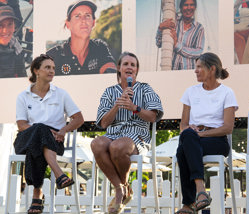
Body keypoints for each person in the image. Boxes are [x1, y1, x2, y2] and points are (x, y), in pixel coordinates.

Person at [90, 52, 163, 214]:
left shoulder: (145, 89)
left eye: (133, 65)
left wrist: (134, 108)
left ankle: (119, 192)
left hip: (137, 135)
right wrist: (117, 105)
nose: (129, 67)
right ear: (119, 68)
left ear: (136, 70)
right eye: (126, 64)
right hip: (113, 133)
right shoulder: (109, 92)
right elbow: (103, 123)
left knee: (117, 147)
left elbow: (153, 117)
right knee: (97, 143)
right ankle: (121, 188)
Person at [14, 54, 84, 213]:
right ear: (36, 71)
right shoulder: (23, 96)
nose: (52, 71)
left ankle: (37, 197)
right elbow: (21, 125)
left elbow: (79, 118)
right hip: (25, 140)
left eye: (53, 68)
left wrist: (63, 130)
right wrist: (40, 130)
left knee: (38, 141)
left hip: (55, 141)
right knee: (39, 129)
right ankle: (59, 173)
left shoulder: (61, 94)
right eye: (47, 67)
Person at [176, 52, 238, 213]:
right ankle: (200, 191)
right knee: (186, 139)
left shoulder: (227, 92)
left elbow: (228, 128)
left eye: (199, 67)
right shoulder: (190, 91)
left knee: (183, 148)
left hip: (217, 141)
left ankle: (189, 203)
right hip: (193, 139)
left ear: (211, 69)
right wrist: (191, 131)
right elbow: (183, 125)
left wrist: (200, 135)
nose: (195, 71)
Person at [47, 0, 116, 76]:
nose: (83, 20)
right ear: (68, 24)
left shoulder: (99, 47)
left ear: (93, 23)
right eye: (77, 16)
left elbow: (111, 74)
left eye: (87, 15)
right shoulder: (53, 56)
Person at [155, 0, 205, 70]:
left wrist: (177, 45)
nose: (189, 8)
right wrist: (160, 28)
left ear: (195, 7)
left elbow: (198, 52)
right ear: (181, 8)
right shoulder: (174, 20)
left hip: (188, 70)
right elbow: (159, 43)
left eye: (192, 5)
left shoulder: (199, 28)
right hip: (170, 69)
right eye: (186, 5)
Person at [0, 5, 25, 78]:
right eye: (0, 25)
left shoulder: (17, 48)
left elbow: (22, 75)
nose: (5, 30)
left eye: (10, 24)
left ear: (15, 27)